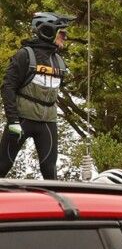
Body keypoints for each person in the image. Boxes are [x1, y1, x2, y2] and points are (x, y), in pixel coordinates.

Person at [1, 11, 71, 180]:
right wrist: (13, 120)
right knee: (2, 166)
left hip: (48, 122)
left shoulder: (60, 61)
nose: (65, 37)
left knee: (50, 172)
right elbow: (8, 87)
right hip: (21, 120)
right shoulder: (24, 55)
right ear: (48, 31)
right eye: (62, 33)